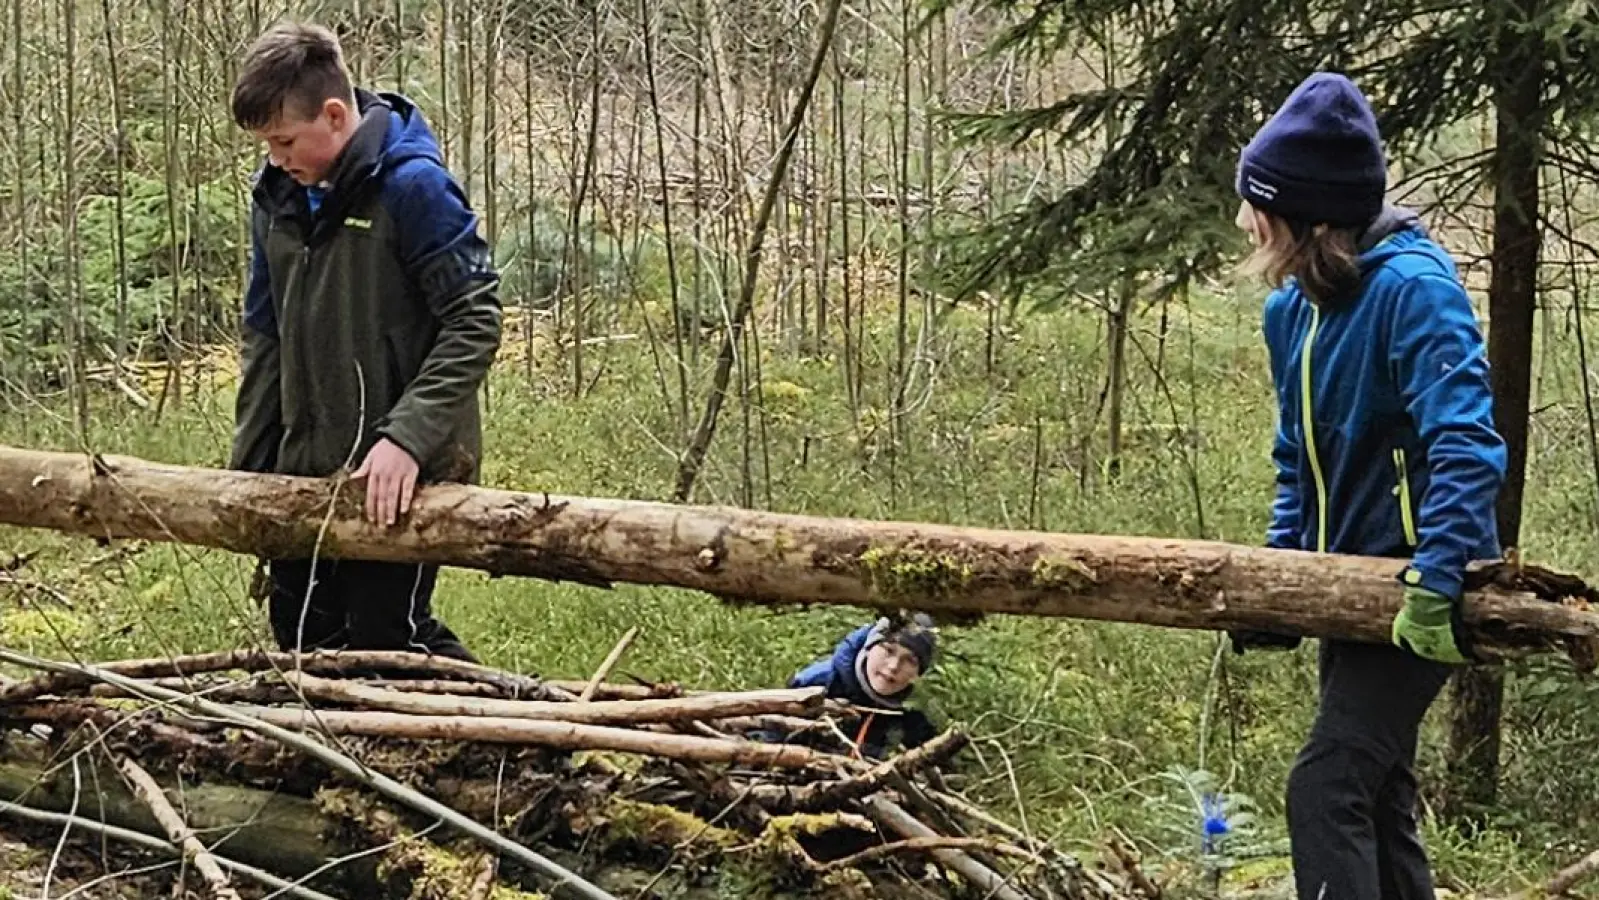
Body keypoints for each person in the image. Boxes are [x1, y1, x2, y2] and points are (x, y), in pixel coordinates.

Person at [1227, 71, 1508, 900]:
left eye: (1257, 203)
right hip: (1342, 583)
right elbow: (1295, 458)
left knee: (1325, 788)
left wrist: (1441, 574)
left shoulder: (1413, 291)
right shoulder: (1294, 310)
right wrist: (1284, 579)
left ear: (1309, 214)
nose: (1243, 219)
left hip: (1422, 580)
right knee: (1379, 795)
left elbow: (1464, 441)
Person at [227, 21, 502, 662]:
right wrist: (249, 469)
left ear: (333, 113)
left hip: (400, 477)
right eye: (266, 144)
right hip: (300, 467)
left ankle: (517, 734)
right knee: (302, 636)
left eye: (285, 140)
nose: (276, 158)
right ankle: (333, 760)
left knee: (389, 642)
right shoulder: (275, 199)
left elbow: (475, 316)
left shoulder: (414, 187)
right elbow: (265, 335)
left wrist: (407, 440)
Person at [773, 614, 941, 760]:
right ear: (869, 647)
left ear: (918, 673)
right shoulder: (817, 684)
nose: (893, 666)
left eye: (910, 661)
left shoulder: (912, 719)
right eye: (888, 650)